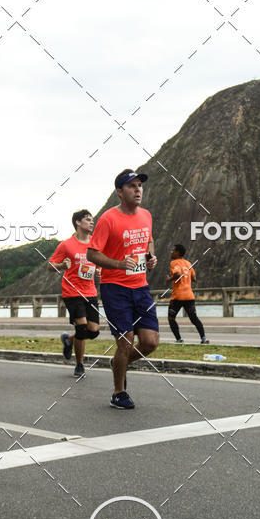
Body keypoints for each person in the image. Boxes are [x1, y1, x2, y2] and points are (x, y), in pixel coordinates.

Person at [88, 169, 159, 409]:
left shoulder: (146, 215)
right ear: (120, 192)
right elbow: (92, 253)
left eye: (140, 185)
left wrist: (150, 257)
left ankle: (119, 363)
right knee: (125, 342)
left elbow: (148, 240)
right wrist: (118, 264)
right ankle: (119, 392)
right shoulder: (108, 219)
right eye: (132, 186)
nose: (138, 190)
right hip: (115, 288)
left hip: (141, 287)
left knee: (150, 342)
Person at [48, 209, 101, 377]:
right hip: (72, 291)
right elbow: (50, 265)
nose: (91, 222)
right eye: (87, 219)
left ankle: (69, 339)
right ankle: (79, 364)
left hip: (90, 291)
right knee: (82, 327)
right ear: (78, 222)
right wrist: (62, 265)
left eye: (92, 219)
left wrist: (99, 270)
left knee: (93, 330)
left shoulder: (95, 243)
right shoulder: (66, 245)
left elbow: (99, 262)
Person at [166, 244, 209, 344]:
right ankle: (203, 338)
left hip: (178, 296)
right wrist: (186, 279)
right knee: (194, 318)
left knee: (171, 318)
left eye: (173, 250)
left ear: (178, 253)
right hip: (189, 296)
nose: (171, 252)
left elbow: (177, 274)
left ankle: (179, 339)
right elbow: (194, 278)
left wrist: (169, 279)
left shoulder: (174, 262)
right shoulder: (188, 263)